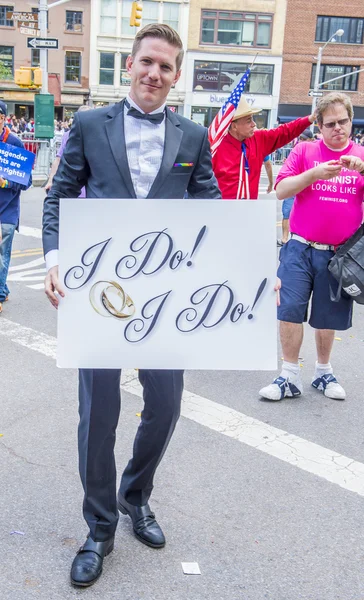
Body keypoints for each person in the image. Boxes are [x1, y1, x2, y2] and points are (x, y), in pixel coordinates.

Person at [42, 23, 221, 588]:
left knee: (165, 405)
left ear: (176, 75)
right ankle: (98, 528)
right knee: (98, 415)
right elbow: (59, 195)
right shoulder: (92, 124)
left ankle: (134, 495)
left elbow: (210, 208)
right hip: (100, 296)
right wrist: (51, 259)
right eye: (147, 62)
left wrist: (243, 272)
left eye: (166, 67)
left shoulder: (192, 137)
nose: (155, 74)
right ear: (129, 65)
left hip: (165, 299)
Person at [259, 92, 364, 402]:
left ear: (350, 120)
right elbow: (280, 190)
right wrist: (314, 174)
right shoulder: (305, 151)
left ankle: (323, 372)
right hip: (299, 248)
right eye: (330, 124)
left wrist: (362, 171)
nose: (338, 129)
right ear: (319, 126)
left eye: (343, 121)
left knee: (327, 315)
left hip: (339, 254)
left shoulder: (361, 154)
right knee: (289, 311)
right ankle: (288, 374)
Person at [212, 97, 316, 199]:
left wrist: (309, 119)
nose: (254, 124)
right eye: (249, 121)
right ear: (234, 126)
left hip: (249, 210)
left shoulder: (258, 139)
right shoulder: (215, 145)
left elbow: (284, 132)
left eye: (252, 119)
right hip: (222, 210)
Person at [0, 100, 32, 314]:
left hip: (6, 211)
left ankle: (0, 295)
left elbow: (26, 181)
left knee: (2, 255)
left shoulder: (14, 143)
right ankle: (3, 287)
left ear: (3, 119)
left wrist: (6, 182)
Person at [277, 129, 315, 246]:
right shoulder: (297, 150)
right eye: (300, 138)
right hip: (293, 185)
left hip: (307, 189)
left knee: (307, 215)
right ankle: (284, 239)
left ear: (311, 140)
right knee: (287, 213)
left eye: (304, 139)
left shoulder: (315, 152)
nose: (301, 141)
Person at [45, 105, 92, 193]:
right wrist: (50, 180)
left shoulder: (97, 136)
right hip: (71, 188)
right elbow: (58, 159)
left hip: (90, 191)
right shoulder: (68, 135)